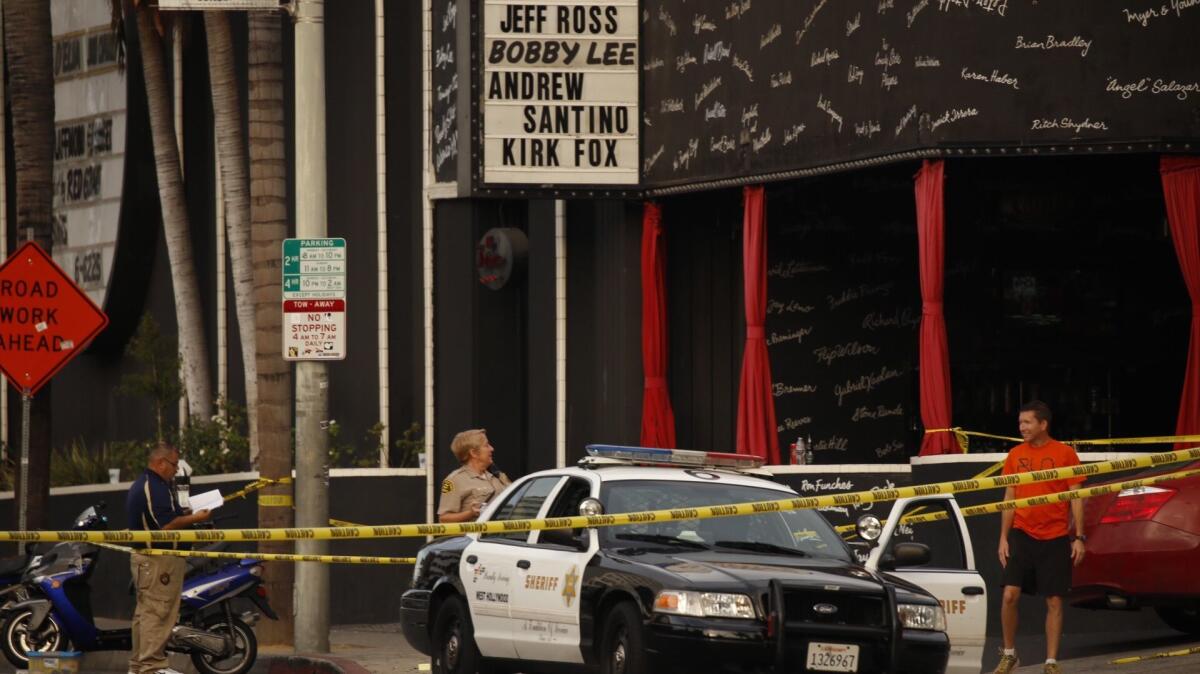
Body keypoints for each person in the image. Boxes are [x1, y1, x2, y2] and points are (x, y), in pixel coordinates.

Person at [993, 401, 1087, 674]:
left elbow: (1077, 497)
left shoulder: (1065, 453)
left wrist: (1079, 536)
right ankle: (1010, 654)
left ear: (1043, 424)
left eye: (1027, 422)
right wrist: (1003, 537)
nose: (1022, 427)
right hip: (1022, 533)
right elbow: (1008, 497)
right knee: (1010, 595)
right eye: (1020, 423)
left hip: (1056, 535)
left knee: (1054, 601)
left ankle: (1050, 662)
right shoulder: (1014, 455)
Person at [126, 442, 211, 674]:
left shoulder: (156, 486)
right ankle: (152, 666)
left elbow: (167, 517)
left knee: (146, 613)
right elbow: (166, 525)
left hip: (156, 559)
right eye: (174, 465)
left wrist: (187, 513)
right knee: (158, 611)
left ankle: (140, 665)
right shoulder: (152, 486)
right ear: (160, 462)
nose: (176, 470)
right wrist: (196, 518)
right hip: (157, 560)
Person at [437, 429, 511, 523]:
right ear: (474, 453)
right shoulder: (453, 480)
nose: (492, 449)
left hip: (500, 536)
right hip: (473, 537)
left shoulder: (498, 476)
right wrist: (470, 514)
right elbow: (444, 519)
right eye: (486, 445)